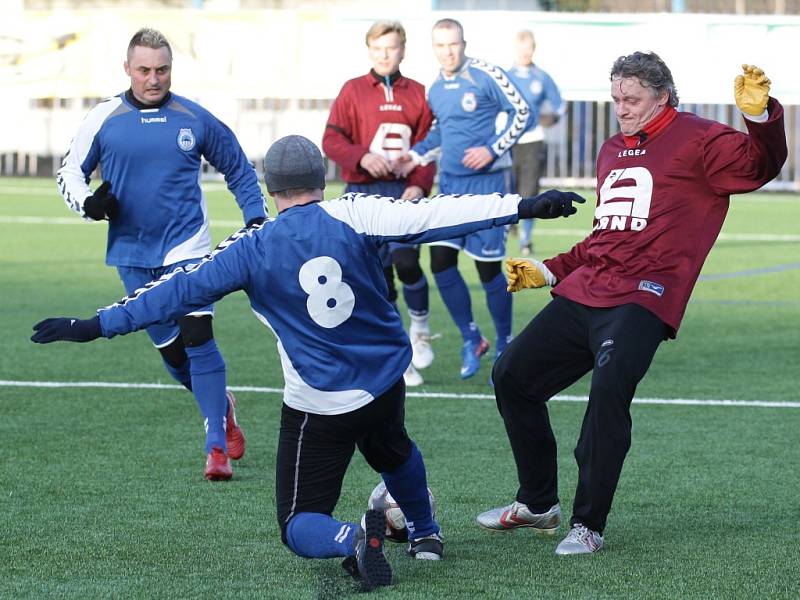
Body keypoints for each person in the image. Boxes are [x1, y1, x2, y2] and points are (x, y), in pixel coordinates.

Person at [33, 135, 584, 589]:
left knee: (297, 525)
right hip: (386, 380)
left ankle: (354, 538)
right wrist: (524, 205)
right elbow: (438, 214)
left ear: (271, 190)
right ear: (322, 179)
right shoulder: (358, 212)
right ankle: (425, 533)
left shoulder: (252, 246)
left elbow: (173, 291)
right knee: (393, 448)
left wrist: (93, 325)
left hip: (319, 401)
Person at [476, 56, 787, 555]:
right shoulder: (612, 149)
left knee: (608, 391)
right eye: (616, 98)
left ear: (661, 96)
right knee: (511, 376)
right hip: (591, 288)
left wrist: (760, 117)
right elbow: (605, 237)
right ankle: (538, 503)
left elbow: (760, 166)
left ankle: (588, 524)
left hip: (646, 295)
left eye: (632, 99)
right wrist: (552, 269)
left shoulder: (700, 138)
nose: (620, 108)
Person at [55, 27, 268, 481]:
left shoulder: (193, 117)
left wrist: (255, 219)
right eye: (145, 70)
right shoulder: (104, 117)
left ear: (172, 68)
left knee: (197, 336)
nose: (154, 78)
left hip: (187, 247)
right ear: (127, 68)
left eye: (163, 69)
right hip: (132, 254)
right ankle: (222, 409)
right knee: (173, 358)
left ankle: (215, 450)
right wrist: (89, 204)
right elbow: (70, 173)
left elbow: (239, 168)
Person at [398, 18, 529, 381]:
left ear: (464, 43)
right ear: (434, 48)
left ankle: (505, 345)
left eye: (453, 44)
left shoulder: (486, 74)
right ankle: (473, 339)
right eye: (440, 46)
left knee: (489, 269)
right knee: (441, 262)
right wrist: (415, 155)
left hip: (488, 187)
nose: (448, 51)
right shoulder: (436, 88)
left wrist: (491, 149)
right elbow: (440, 132)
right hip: (451, 187)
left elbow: (523, 113)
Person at [322, 20, 437, 387]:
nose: (384, 55)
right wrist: (360, 157)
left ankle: (419, 326)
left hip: (401, 194)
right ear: (369, 50)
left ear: (403, 49)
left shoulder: (419, 93)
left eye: (391, 47)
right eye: (377, 48)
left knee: (406, 261)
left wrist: (419, 185)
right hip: (361, 194)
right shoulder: (353, 90)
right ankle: (394, 352)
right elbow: (331, 139)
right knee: (371, 278)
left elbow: (429, 149)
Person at [507, 29, 565, 257]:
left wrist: (554, 117)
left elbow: (559, 104)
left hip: (533, 140)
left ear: (533, 48)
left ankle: (525, 239)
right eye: (521, 46)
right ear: (516, 48)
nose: (525, 51)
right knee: (506, 189)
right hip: (508, 142)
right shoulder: (505, 75)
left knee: (529, 192)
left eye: (529, 47)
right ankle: (505, 226)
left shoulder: (541, 77)